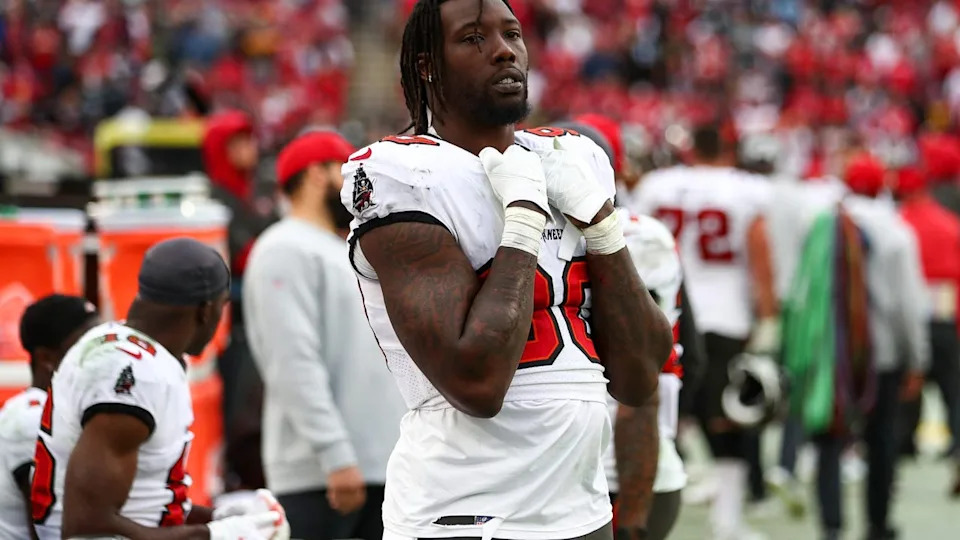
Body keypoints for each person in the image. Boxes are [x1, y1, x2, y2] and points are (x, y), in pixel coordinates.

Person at [341, 2, 673, 540]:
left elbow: (638, 378)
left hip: (580, 510)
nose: (503, 50)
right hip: (466, 516)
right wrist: (522, 221)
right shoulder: (403, 173)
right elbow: (478, 383)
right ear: (428, 66)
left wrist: (602, 226)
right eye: (473, 38)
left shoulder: (573, 159)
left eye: (512, 34)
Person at [29, 238, 289, 540]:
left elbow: (144, 503)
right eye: (222, 308)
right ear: (206, 310)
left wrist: (218, 515)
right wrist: (216, 535)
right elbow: (87, 527)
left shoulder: (116, 343)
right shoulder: (136, 377)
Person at [244, 130, 406, 540]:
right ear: (317, 174)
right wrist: (335, 456)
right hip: (322, 477)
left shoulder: (342, 248)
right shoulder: (284, 247)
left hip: (375, 466)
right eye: (345, 173)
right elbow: (293, 363)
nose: (356, 187)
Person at [632, 124, 778, 540]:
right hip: (727, 315)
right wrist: (767, 316)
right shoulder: (746, 189)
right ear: (731, 146)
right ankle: (727, 521)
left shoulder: (661, 185)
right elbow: (760, 254)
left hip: (668, 310)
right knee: (728, 419)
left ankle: (652, 511)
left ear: (692, 147)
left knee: (666, 414)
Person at [786, 154, 929, 540]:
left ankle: (831, 526)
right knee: (880, 441)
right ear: (883, 185)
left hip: (829, 352)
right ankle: (877, 524)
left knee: (828, 438)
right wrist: (917, 358)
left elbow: (801, 290)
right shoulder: (896, 230)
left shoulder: (818, 224)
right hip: (882, 355)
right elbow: (908, 305)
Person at [202, 109, 276, 493]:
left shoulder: (253, 194)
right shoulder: (216, 201)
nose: (250, 148)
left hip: (258, 319)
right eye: (238, 142)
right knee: (235, 408)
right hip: (233, 325)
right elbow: (246, 260)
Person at [0, 295, 100, 539]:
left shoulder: (58, 411)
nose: (103, 355)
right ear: (47, 358)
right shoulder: (32, 419)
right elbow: (48, 529)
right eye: (88, 345)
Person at [895, 165, 960, 472]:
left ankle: (905, 442)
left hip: (910, 312)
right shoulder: (949, 224)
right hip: (945, 310)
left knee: (909, 379)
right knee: (953, 386)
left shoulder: (899, 224)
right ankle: (957, 443)